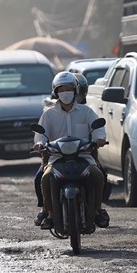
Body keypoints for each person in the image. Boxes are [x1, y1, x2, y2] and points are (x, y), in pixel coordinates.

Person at [33, 71, 108, 229]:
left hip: (83, 157)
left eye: (68, 89)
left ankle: (97, 210)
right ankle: (49, 212)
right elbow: (41, 135)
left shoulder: (86, 112)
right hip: (56, 159)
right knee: (45, 178)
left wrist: (99, 139)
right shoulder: (49, 115)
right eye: (61, 90)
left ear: (75, 90)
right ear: (56, 93)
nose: (65, 93)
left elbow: (97, 129)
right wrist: (40, 143)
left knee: (98, 175)